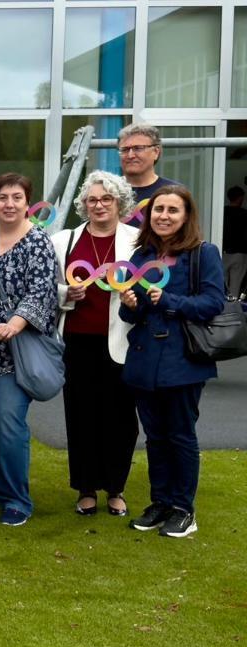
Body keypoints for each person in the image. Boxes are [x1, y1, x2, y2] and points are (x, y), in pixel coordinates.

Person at [119, 185, 224, 538]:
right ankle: (160, 502)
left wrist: (168, 299)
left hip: (182, 359)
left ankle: (183, 509)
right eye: (158, 209)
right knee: (155, 437)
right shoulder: (141, 255)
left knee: (180, 435)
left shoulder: (202, 254)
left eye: (172, 210)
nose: (164, 216)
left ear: (186, 216)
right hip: (144, 359)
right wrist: (130, 305)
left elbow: (213, 303)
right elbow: (129, 313)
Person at [0, 173, 59, 527]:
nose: (8, 204)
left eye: (16, 198)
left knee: (7, 423)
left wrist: (15, 323)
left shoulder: (38, 242)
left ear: (27, 202)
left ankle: (16, 498)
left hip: (14, 355)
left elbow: (42, 293)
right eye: (2, 197)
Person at [52, 171, 141, 518]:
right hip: (77, 341)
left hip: (122, 341)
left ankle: (116, 489)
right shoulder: (65, 240)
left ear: (120, 203)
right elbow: (50, 289)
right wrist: (66, 294)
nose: (99, 205)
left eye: (107, 199)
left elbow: (145, 285)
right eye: (92, 199)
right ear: (83, 205)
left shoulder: (136, 241)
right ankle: (86, 489)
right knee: (81, 416)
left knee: (121, 419)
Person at [117, 123, 179, 210]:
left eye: (138, 148)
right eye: (125, 150)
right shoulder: (109, 192)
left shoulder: (174, 193)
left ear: (156, 152)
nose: (130, 155)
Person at [222, 186, 247, 301]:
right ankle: (233, 311)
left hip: (223, 252)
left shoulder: (222, 212)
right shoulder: (244, 214)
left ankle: (222, 308)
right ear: (240, 198)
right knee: (235, 286)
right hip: (240, 254)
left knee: (222, 283)